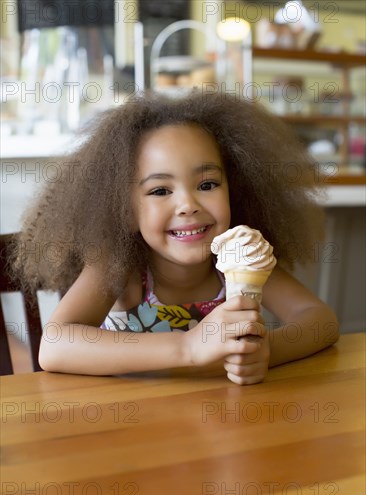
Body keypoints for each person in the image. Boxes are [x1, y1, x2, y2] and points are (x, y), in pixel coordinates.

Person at [12, 91, 339, 384]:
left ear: (235, 191)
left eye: (207, 185)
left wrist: (264, 351)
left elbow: (321, 322)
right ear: (125, 210)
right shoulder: (119, 268)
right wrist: (188, 347)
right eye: (159, 190)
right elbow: (54, 346)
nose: (188, 205)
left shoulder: (241, 260)